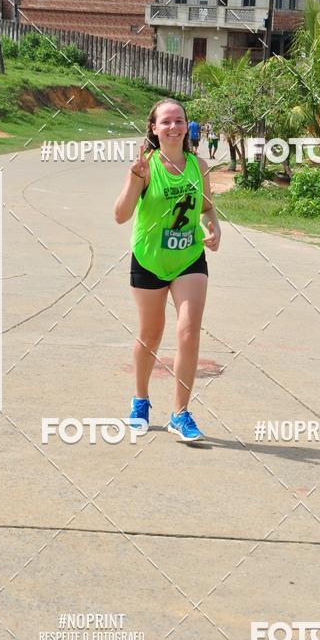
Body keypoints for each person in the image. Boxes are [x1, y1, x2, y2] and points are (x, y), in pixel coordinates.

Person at [114, 99, 221, 442]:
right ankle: (140, 401)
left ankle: (180, 413)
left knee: (189, 332)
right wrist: (133, 181)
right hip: (149, 259)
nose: (173, 126)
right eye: (166, 121)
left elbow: (206, 208)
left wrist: (213, 227)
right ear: (154, 128)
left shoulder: (199, 166)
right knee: (150, 334)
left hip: (189, 258)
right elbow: (120, 215)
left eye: (179, 121)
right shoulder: (145, 167)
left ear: (186, 127)